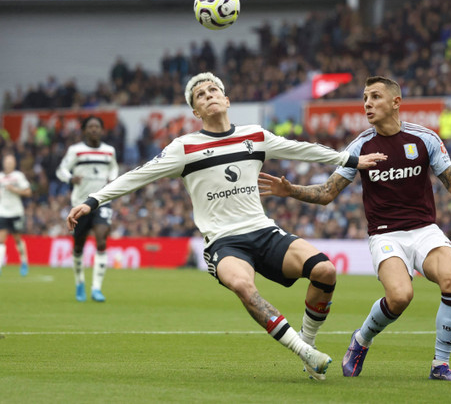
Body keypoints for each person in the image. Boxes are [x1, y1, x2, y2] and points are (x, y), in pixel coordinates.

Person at [66, 72, 386, 380]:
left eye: (213, 91)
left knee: (326, 271)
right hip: (223, 242)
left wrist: (351, 160)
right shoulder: (184, 148)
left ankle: (309, 339)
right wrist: (94, 200)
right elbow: (137, 175)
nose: (208, 97)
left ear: (226, 99)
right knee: (244, 287)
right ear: (196, 111)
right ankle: (303, 351)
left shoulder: (255, 136)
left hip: (262, 230)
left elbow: (301, 149)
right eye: (201, 96)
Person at [259, 76, 451, 381]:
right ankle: (361, 340)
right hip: (385, 234)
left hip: (425, 229)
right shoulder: (361, 146)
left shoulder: (424, 138)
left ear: (396, 102)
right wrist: (291, 190)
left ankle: (441, 365)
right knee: (400, 297)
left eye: (374, 97)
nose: (367, 104)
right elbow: (328, 193)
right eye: (364, 98)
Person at [57, 116, 118, 303]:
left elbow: (114, 169)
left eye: (97, 126)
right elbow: (61, 170)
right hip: (80, 204)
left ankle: (97, 288)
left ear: (101, 130)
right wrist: (70, 179)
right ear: (84, 130)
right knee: (78, 246)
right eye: (90, 126)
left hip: (101, 202)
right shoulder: (76, 150)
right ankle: (79, 282)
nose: (94, 129)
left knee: (101, 240)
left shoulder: (109, 151)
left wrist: (112, 180)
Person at [0, 154, 32, 276]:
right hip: (2, 211)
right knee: (1, 239)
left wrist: (15, 190)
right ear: (3, 163)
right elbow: (0, 191)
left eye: (11, 162)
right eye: (6, 161)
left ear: (14, 164)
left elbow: (28, 192)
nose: (8, 164)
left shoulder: (18, 176)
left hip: (16, 211)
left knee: (17, 239)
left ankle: (24, 262)